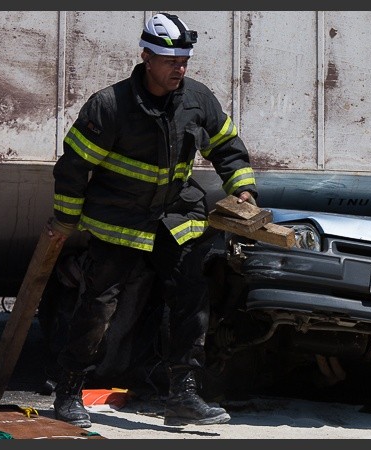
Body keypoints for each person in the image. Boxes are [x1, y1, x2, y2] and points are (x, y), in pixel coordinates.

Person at [46, 12, 257, 428]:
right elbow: (72, 168)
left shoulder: (198, 100)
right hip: (119, 221)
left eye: (184, 61)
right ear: (146, 57)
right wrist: (65, 221)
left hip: (175, 220)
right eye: (170, 61)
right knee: (98, 308)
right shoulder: (109, 105)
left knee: (189, 304)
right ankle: (69, 393)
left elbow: (228, 147)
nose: (179, 69)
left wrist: (243, 189)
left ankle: (183, 396)